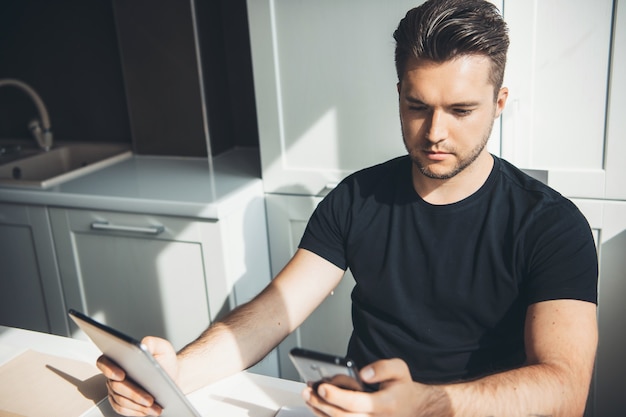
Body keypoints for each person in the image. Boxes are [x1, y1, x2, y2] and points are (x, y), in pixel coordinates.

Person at [97, 0, 599, 416]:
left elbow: (565, 389)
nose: (436, 132)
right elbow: (272, 313)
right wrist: (174, 373)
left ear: (500, 101)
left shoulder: (551, 226)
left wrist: (427, 404)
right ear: (399, 93)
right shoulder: (358, 198)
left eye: (461, 110)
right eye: (417, 106)